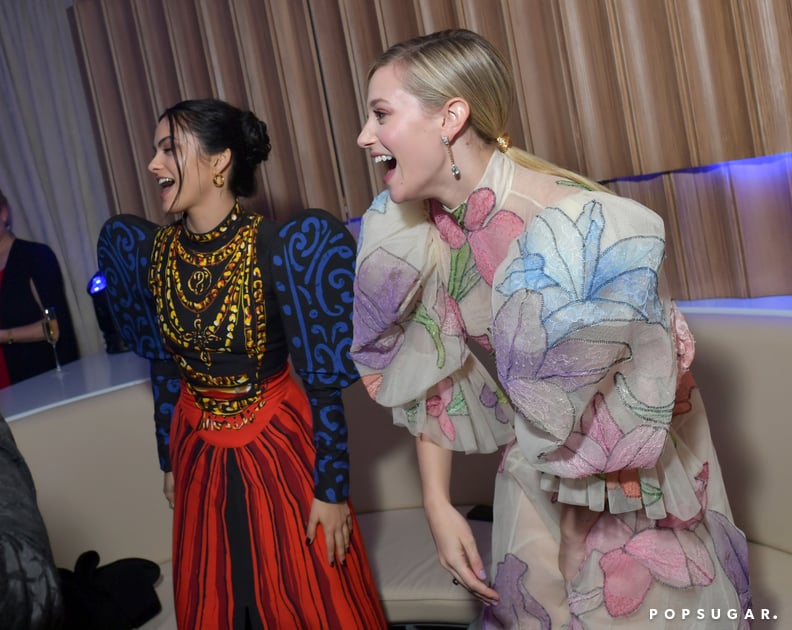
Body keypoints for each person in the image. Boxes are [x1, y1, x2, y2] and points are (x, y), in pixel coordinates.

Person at [350, 29, 751, 628]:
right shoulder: (424, 228)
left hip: (625, 494)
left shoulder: (573, 224)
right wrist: (436, 502)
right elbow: (430, 358)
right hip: (537, 472)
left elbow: (627, 414)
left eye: (381, 114)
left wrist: (572, 546)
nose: (363, 136)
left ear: (450, 117)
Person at [97, 98, 386, 629]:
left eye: (169, 150)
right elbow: (165, 368)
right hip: (197, 453)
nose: (153, 164)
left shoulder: (279, 247)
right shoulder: (153, 254)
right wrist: (168, 460)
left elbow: (323, 385)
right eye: (156, 151)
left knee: (302, 601)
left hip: (278, 450)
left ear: (218, 162)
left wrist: (333, 490)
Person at [0, 189, 79, 388]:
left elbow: (55, 328)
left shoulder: (34, 257)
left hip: (37, 383)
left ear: (3, 213)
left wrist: (4, 336)